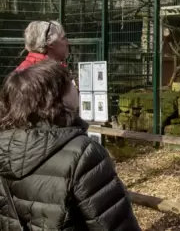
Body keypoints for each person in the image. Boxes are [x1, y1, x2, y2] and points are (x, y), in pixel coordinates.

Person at [0, 60, 141, 230]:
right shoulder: (83, 154)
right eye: (70, 83)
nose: (76, 87)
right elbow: (113, 224)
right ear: (55, 97)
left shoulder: (4, 148)